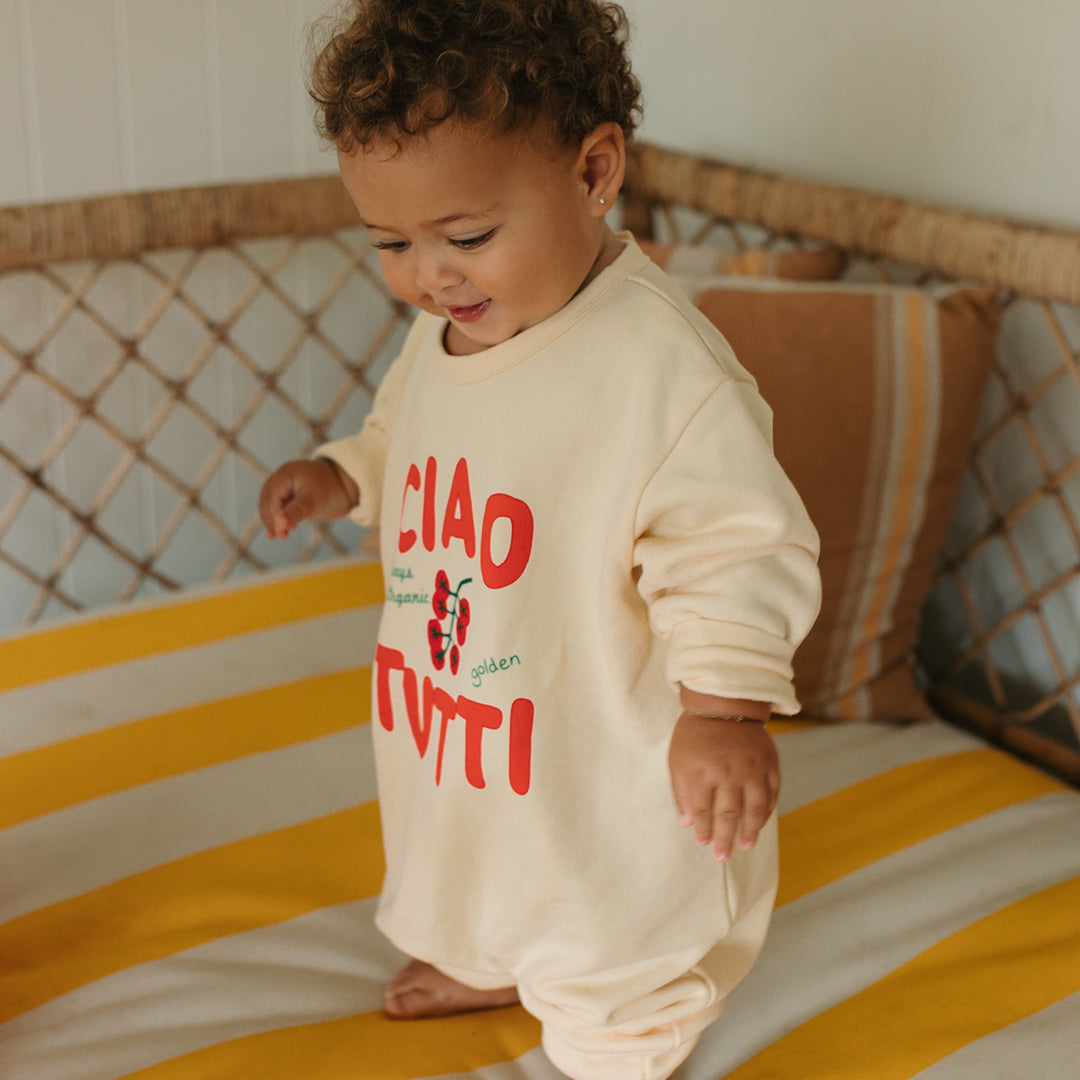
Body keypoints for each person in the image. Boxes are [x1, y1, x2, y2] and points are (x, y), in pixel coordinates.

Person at [258, 2, 821, 1077]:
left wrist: (723, 711)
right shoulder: (446, 330)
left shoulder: (657, 366)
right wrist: (344, 474)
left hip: (601, 747)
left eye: (468, 237)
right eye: (391, 242)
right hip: (466, 719)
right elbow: (408, 433)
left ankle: (623, 1035)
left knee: (609, 914)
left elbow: (735, 545)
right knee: (476, 860)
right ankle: (493, 955)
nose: (431, 275)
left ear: (594, 172)